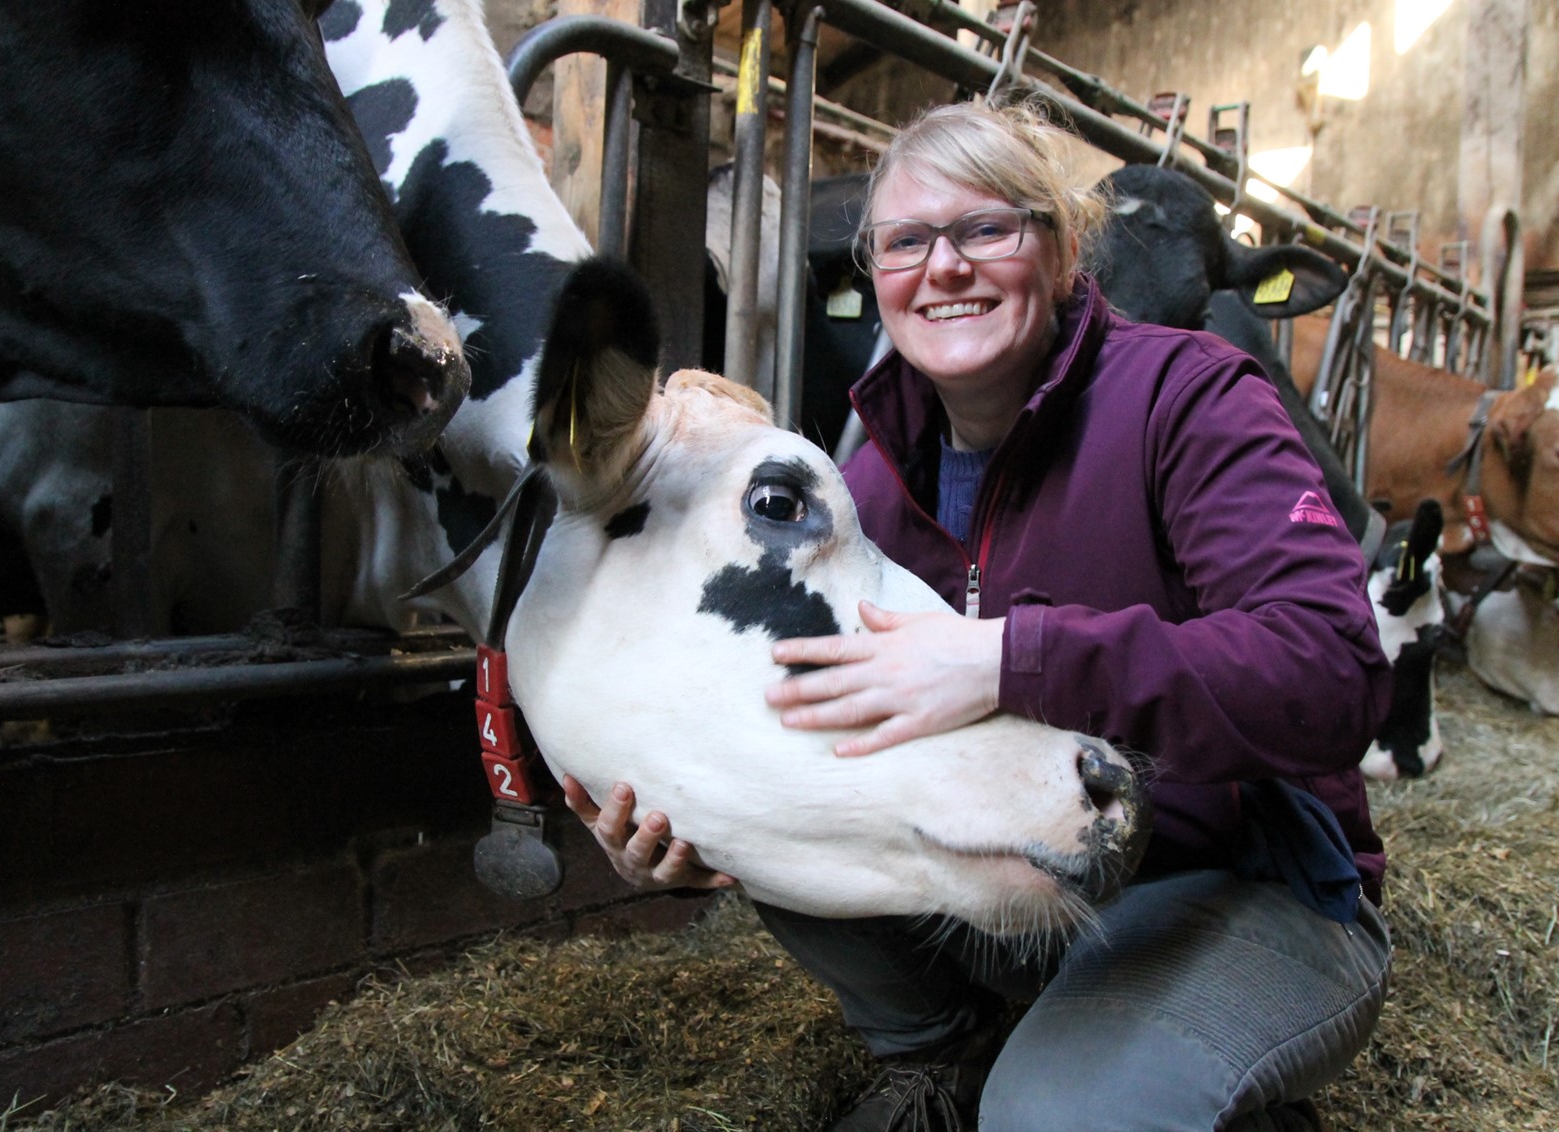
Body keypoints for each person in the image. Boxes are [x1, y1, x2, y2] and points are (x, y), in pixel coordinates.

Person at [563, 93, 1394, 1132]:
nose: (943, 267)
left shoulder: (1190, 397)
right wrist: (690, 827)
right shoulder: (862, 477)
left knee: (1055, 1114)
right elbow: (791, 711)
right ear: (875, 276)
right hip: (1036, 867)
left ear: (1060, 248)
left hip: (1241, 883)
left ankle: (1134, 1077)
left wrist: (1009, 656)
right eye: (905, 241)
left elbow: (1330, 671)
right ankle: (939, 1051)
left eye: (985, 228)